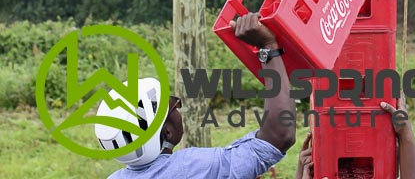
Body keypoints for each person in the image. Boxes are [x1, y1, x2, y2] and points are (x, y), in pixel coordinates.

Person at [95, 13, 295, 177]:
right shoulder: (190, 169)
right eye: (173, 105)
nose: (179, 108)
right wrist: (268, 47)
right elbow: (278, 137)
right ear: (168, 132)